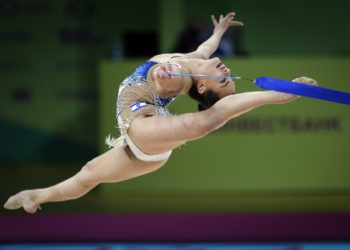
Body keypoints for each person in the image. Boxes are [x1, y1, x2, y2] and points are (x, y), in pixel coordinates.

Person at [4, 12, 317, 214]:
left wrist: (163, 77)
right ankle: (37, 195)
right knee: (87, 175)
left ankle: (278, 95)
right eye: (228, 76)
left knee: (209, 121)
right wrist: (219, 31)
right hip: (148, 148)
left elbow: (161, 79)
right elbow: (206, 48)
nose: (228, 70)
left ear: (204, 89)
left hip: (146, 128)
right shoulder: (194, 59)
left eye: (223, 80)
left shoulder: (174, 80)